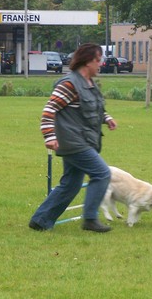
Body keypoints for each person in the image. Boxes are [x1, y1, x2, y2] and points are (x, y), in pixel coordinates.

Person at [29, 43, 117, 233]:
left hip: (84, 140)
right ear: (87, 62)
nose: (100, 64)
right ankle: (90, 219)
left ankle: (40, 220)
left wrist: (107, 118)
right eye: (98, 60)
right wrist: (49, 136)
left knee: (71, 184)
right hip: (74, 142)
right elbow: (49, 110)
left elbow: (91, 108)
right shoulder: (69, 84)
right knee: (102, 173)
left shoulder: (89, 84)